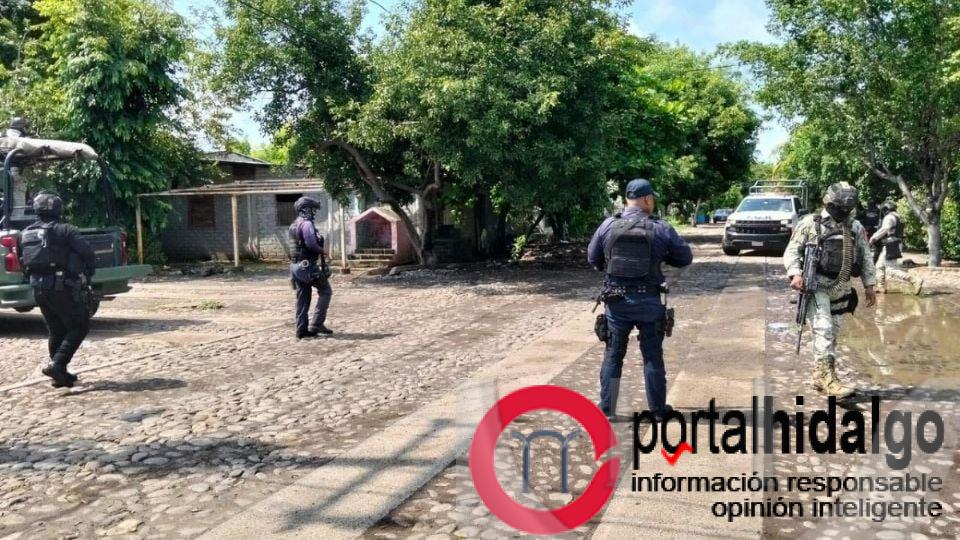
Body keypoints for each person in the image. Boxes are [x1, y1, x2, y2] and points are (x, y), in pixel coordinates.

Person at [587, 178, 693, 419]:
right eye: (652, 199)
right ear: (647, 199)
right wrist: (662, 257)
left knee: (613, 356)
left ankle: (607, 410)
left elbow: (593, 259)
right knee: (652, 356)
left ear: (627, 200)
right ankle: (658, 411)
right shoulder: (661, 228)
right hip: (650, 302)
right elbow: (684, 258)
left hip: (617, 302)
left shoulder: (607, 225)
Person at [784, 182, 877, 398]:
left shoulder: (855, 227)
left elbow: (865, 256)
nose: (844, 212)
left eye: (848, 208)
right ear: (829, 203)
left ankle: (820, 375)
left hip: (842, 287)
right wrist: (795, 273)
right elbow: (792, 250)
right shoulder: (810, 223)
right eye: (840, 207)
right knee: (823, 329)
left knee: (832, 333)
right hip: (816, 285)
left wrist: (870, 285)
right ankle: (829, 380)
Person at [19, 192, 96, 388]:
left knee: (56, 330)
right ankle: (58, 364)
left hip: (38, 288)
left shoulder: (26, 232)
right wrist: (89, 270)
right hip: (61, 286)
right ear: (58, 210)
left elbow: (22, 261)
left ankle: (58, 374)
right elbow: (87, 252)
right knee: (79, 326)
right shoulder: (65, 230)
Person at [288, 196, 333, 339]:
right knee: (325, 291)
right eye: (313, 209)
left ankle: (301, 330)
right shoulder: (306, 224)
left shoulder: (294, 224)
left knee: (303, 298)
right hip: (306, 267)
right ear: (306, 209)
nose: (314, 212)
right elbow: (311, 243)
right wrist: (323, 251)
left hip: (295, 267)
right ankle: (317, 324)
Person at [870, 201, 923, 295]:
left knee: (890, 269)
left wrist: (873, 238)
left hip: (891, 244)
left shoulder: (889, 217)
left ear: (885, 209)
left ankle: (914, 279)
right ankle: (880, 287)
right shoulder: (898, 216)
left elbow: (884, 229)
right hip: (895, 243)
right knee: (879, 266)